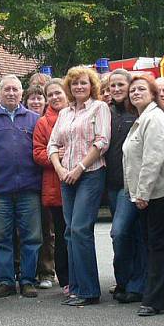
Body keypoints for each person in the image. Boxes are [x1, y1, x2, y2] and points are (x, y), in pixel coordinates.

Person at [0, 74, 43, 299]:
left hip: (29, 189)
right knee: (1, 238)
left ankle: (28, 280)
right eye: (7, 90)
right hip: (0, 191)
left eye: (15, 89)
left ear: (22, 93)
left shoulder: (34, 119)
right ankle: (5, 281)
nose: (11, 93)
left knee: (31, 238)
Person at [48, 66, 111, 306]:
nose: (79, 87)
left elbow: (102, 141)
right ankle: (75, 287)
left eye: (83, 83)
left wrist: (79, 169)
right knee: (68, 231)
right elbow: (53, 144)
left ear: (91, 85)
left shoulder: (99, 108)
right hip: (66, 176)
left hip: (90, 174)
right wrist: (61, 169)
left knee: (81, 229)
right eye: (74, 84)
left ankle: (88, 290)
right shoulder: (64, 113)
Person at [123, 75, 164, 316]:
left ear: (154, 93)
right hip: (149, 193)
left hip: (159, 193)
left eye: (141, 89)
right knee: (157, 244)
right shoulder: (142, 119)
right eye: (132, 90)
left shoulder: (154, 119)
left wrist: (142, 193)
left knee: (158, 246)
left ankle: (154, 299)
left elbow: (153, 159)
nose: (135, 93)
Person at [105, 69, 144, 304]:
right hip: (111, 183)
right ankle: (125, 282)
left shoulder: (138, 113)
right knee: (125, 236)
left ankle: (135, 283)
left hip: (132, 185)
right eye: (113, 86)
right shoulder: (107, 113)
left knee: (121, 232)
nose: (117, 89)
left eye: (122, 85)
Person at [33, 78, 69, 293]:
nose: (55, 97)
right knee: (61, 234)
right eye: (51, 94)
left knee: (79, 233)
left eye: (59, 93)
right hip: (55, 184)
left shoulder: (79, 115)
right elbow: (37, 152)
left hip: (81, 181)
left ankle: (83, 276)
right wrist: (55, 155)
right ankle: (65, 279)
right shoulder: (43, 123)